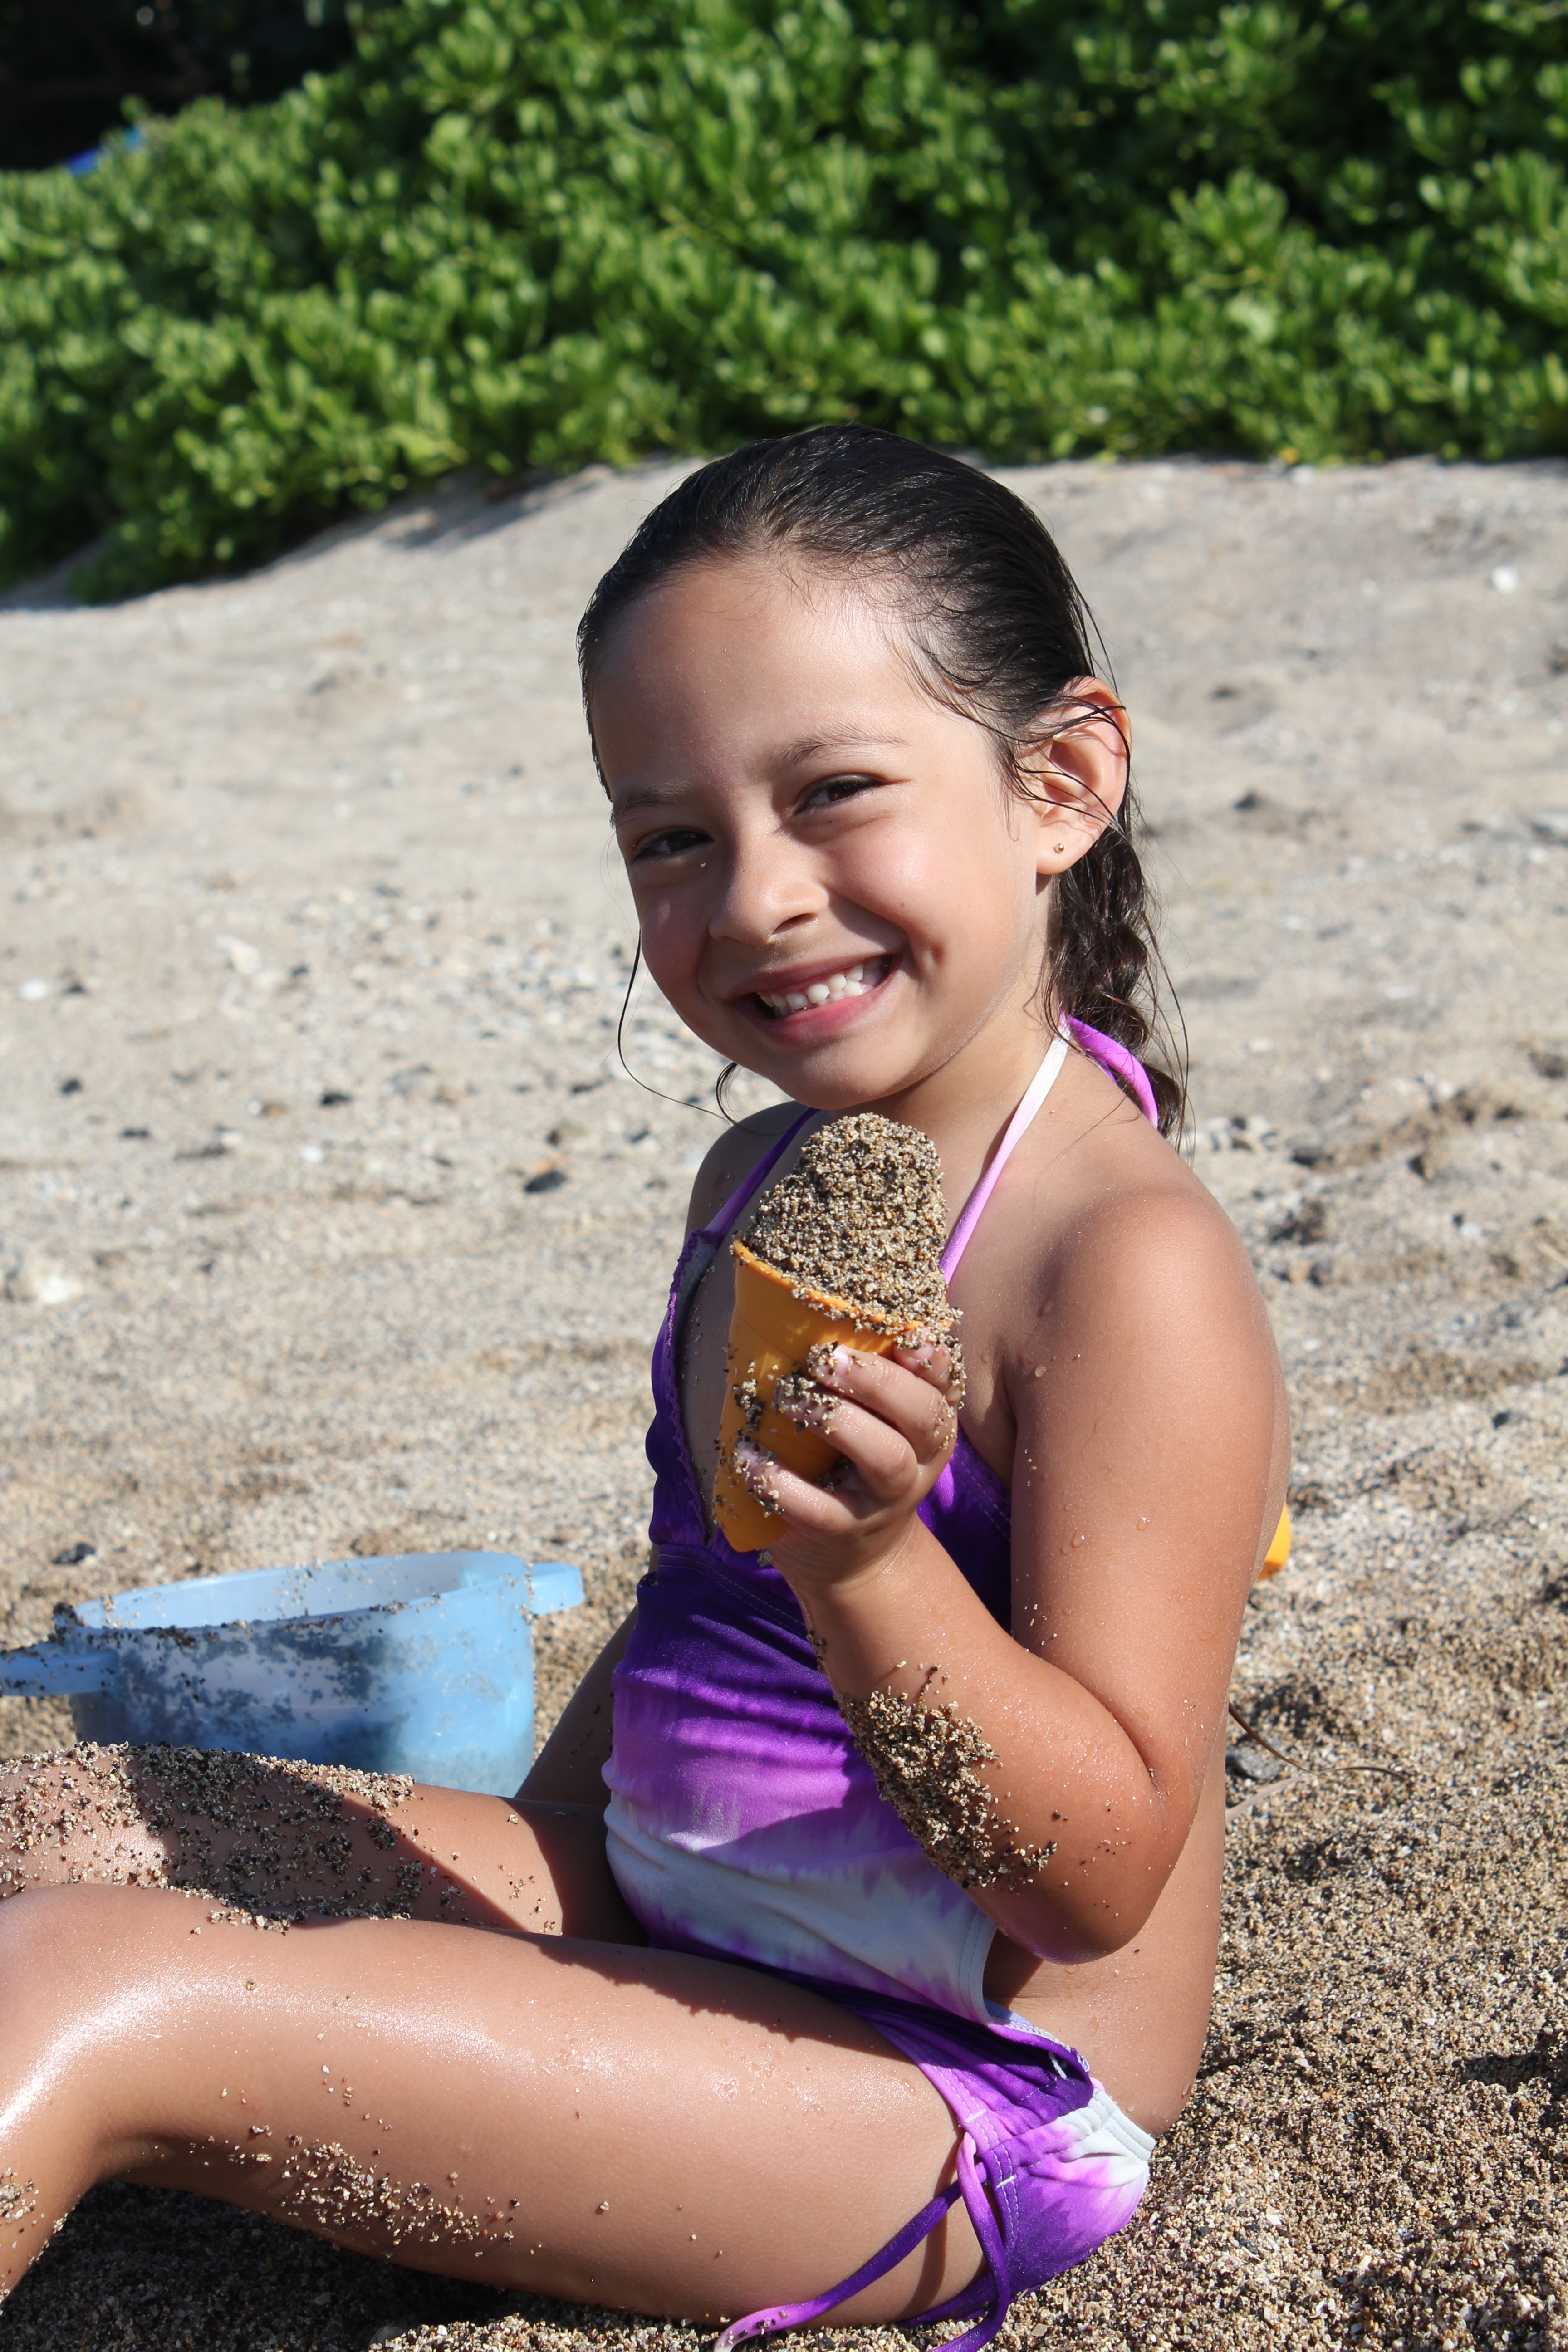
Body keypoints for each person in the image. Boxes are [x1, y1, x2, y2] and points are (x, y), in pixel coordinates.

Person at [0, 429, 1288, 2344]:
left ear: (1061, 781)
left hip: (947, 2097)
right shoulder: (753, 1181)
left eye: (835, 792)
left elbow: (1091, 1883)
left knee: (105, 1991)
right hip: (676, 1917)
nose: (759, 897)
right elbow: (699, 1617)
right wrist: (495, 1927)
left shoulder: (1126, 1272)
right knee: (41, 1827)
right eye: (671, 837)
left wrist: (867, 1565)